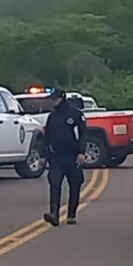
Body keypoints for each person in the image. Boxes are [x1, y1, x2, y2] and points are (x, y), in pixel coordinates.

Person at [42, 88, 86, 227]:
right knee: (54, 184)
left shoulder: (75, 114)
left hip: (72, 156)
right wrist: (44, 155)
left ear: (62, 98)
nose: (53, 102)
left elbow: (83, 134)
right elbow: (47, 137)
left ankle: (71, 214)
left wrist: (81, 152)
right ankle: (54, 214)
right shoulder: (52, 116)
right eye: (52, 99)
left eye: (55, 99)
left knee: (75, 185)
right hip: (56, 156)